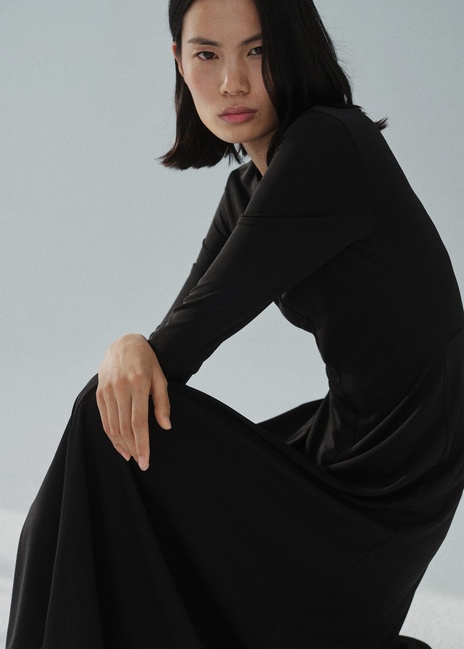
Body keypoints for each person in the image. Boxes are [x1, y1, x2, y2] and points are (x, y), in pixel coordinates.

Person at [6, 0, 464, 647]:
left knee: (103, 416)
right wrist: (132, 350)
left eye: (258, 50)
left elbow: (180, 341)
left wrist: (130, 349)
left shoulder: (328, 144)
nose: (232, 82)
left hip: (390, 483)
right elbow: (170, 353)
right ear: (178, 61)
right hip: (345, 444)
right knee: (115, 418)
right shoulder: (248, 188)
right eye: (207, 54)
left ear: (295, 46)